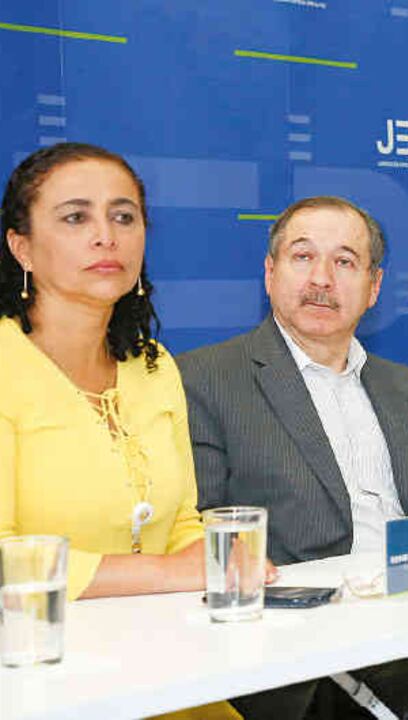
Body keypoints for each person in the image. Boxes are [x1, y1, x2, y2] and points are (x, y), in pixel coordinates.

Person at [181, 196, 408, 720]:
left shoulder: (403, 385)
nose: (322, 279)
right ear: (270, 274)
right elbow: (202, 534)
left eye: (344, 262)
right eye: (303, 256)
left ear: (373, 287)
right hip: (304, 643)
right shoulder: (206, 380)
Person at [0, 142, 254, 719]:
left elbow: (182, 520)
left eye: (123, 217)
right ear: (22, 247)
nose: (105, 237)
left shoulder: (154, 367)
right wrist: (170, 573)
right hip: (36, 675)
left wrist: (222, 559)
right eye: (76, 218)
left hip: (162, 665)